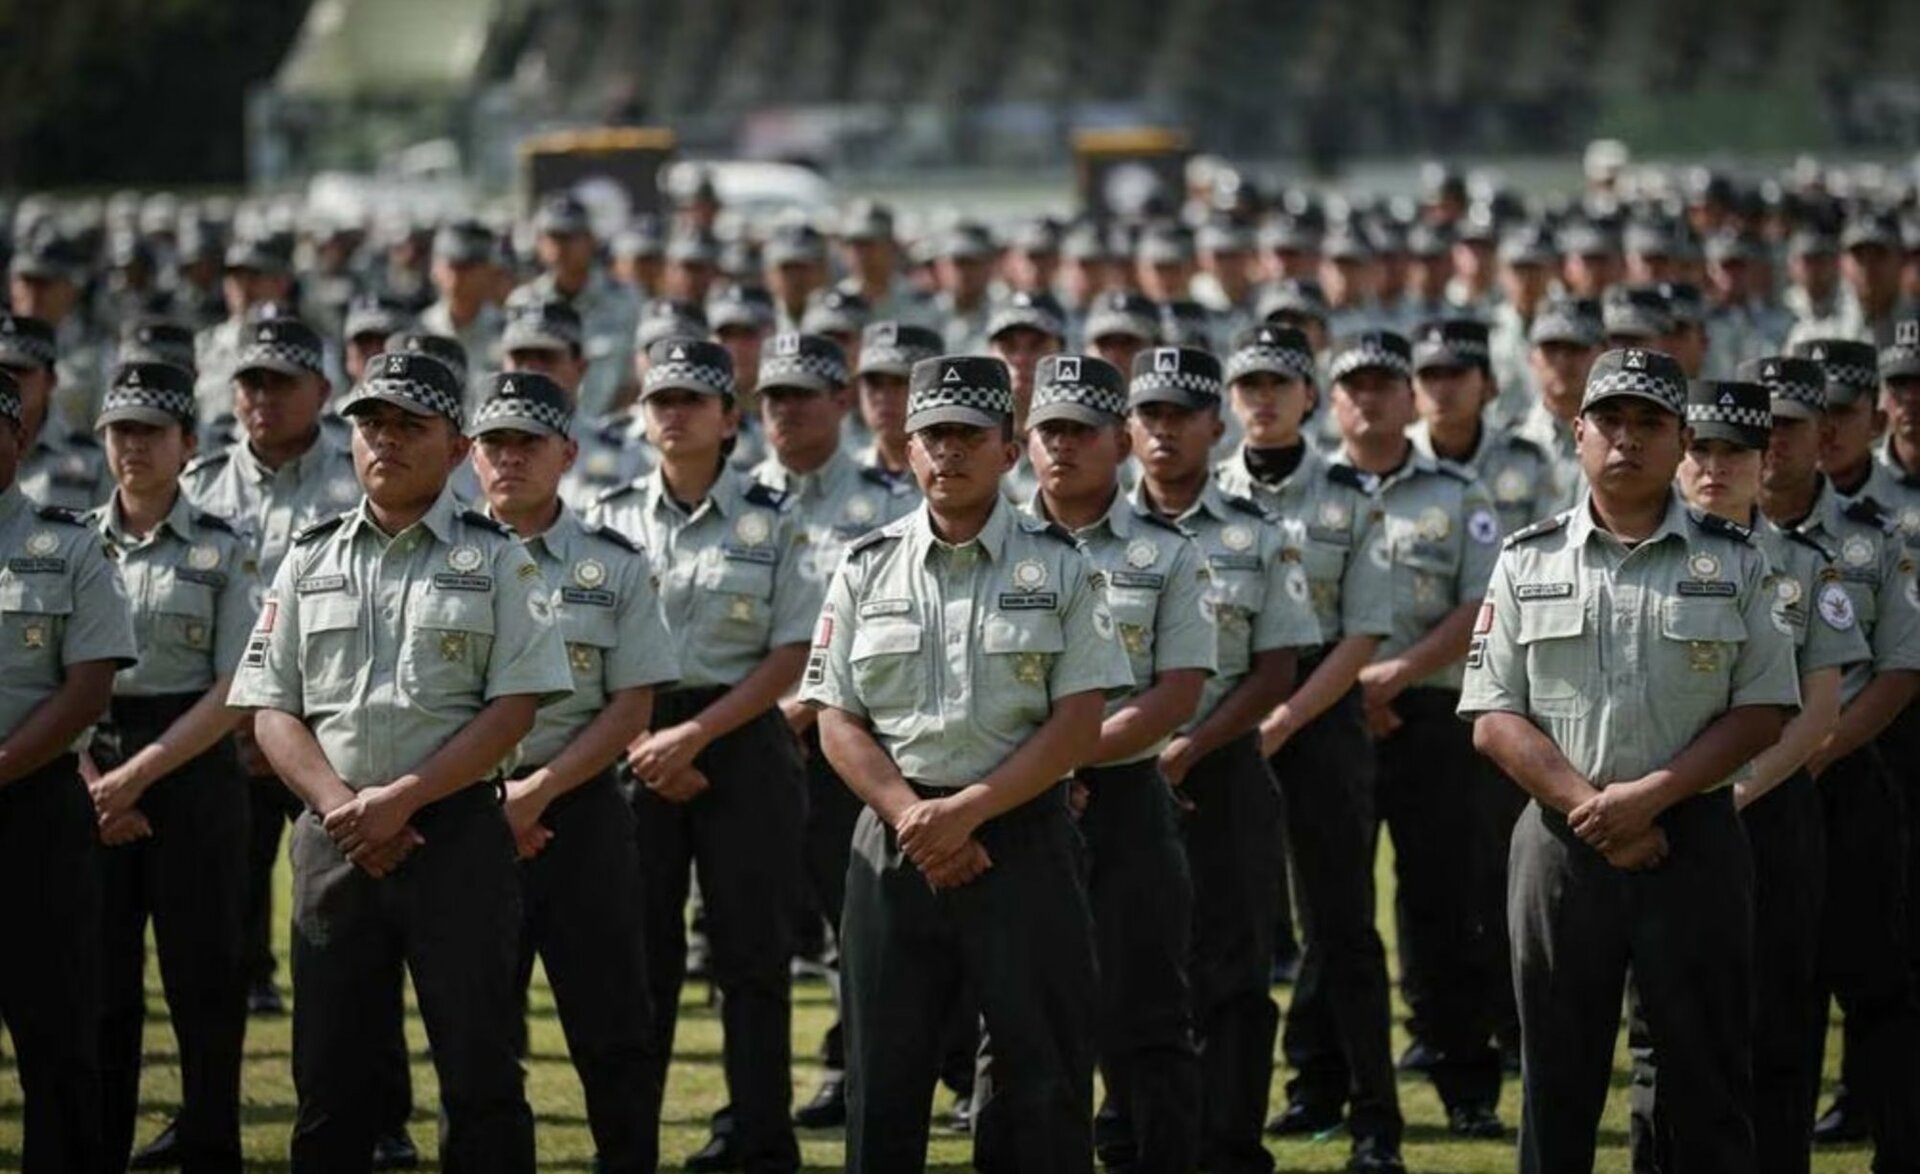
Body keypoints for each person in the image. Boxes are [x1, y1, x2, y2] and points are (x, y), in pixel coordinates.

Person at [226, 350, 571, 1172]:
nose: (384, 439)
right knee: (329, 1076)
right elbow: (271, 706)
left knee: (478, 1069)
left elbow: (515, 705)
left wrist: (402, 800)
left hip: (455, 838)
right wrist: (346, 809)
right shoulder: (310, 557)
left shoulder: (497, 557)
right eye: (371, 424)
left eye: (409, 425)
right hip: (332, 836)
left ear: (457, 449)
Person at [1460, 346, 1800, 1174]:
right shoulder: (1525, 559)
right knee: (1556, 1082)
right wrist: (1599, 809)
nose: (1627, 439)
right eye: (1609, 420)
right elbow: (1492, 714)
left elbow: (1765, 706)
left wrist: (1652, 797)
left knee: (1707, 1084)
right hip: (1560, 843)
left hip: (1694, 841)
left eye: (1650, 423)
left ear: (1682, 439)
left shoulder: (1739, 561)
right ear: (1577, 433)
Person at [799, 353, 1134, 1173]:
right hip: (894, 839)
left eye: (968, 436)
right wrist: (914, 816)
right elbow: (836, 716)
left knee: (1042, 1075)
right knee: (883, 1075)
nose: (947, 452)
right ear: (908, 449)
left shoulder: (1062, 566)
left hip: (1021, 835)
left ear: (1009, 452)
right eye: (932, 436)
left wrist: (968, 811)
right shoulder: (864, 565)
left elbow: (1078, 721)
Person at [1627, 372, 1869, 1174]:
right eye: (1699, 449)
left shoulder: (1802, 563)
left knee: (1775, 1018)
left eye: (1735, 452)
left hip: (1763, 814)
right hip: (1661, 812)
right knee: (1662, 1021)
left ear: (1766, 459)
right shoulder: (1644, 555)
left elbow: (1820, 709)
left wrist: (1732, 791)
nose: (1713, 468)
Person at [588, 337, 820, 1174]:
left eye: (693, 399)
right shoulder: (606, 518)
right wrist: (651, 737)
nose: (673, 413)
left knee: (751, 959)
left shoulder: (773, 517)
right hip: (630, 737)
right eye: (660, 400)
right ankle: (630, 1143)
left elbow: (793, 653)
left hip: (743, 738)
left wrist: (697, 737)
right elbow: (590, 644)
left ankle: (759, 1137)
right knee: (636, 959)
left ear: (730, 419)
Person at [469, 370, 678, 1174]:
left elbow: (631, 706)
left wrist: (538, 793)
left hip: (582, 808)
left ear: (568, 453)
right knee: (476, 1028)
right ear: (471, 455)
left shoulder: (614, 562)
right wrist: (496, 800)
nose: (510, 459)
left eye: (529, 443)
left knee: (613, 1026)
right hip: (466, 812)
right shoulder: (440, 554)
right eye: (495, 444)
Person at [1126, 346, 1325, 1173]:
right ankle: (1130, 1131)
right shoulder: (1085, 532)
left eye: (1182, 415)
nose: (1165, 430)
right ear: (1130, 428)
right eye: (1150, 415)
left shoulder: (1259, 534)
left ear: (1217, 425)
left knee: (1236, 967)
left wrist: (1192, 746)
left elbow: (1276, 668)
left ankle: (1231, 1140)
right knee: (1129, 963)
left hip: (1225, 768)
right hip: (1116, 772)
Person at [1023, 352, 1217, 1174]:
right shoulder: (991, 543)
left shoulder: (1170, 553)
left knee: (1149, 1016)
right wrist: (1040, 775)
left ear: (1124, 441)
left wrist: (1066, 761)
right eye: (1050, 431)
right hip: (1018, 803)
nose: (1064, 447)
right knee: (1029, 1017)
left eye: (1084, 431)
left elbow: (1176, 695)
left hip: (1126, 798)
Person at [1329, 328, 1507, 1138]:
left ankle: (1465, 1080)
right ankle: (1318, 1081)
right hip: (1326, 715)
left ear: (1409, 401)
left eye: (1383, 385)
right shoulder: (1306, 493)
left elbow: (1479, 605)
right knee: (1334, 906)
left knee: (1444, 903)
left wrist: (1393, 678)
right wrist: (1350, 688)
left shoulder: (1459, 492)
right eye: (1353, 386)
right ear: (1333, 401)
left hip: (1431, 713)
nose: (1368, 398)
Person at [84, 362, 257, 1173]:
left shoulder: (225, 549)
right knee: (101, 986)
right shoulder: (72, 544)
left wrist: (139, 776)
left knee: (205, 980)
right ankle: (97, 1143)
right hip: (86, 762)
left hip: (191, 763)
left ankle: (210, 1143)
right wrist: (96, 780)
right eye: (121, 431)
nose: (135, 447)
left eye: (151, 431)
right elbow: (46, 675)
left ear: (189, 444)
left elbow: (234, 689)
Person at [1751, 342, 1920, 1165]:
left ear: (1825, 433)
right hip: (1747, 790)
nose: (1775, 442)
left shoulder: (1876, 535)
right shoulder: (1718, 536)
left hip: (1846, 779)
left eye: (1791, 427)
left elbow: (1900, 670)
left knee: (1882, 985)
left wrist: (1821, 749)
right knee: (1776, 997)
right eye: (1763, 427)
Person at [745, 331, 918, 1129]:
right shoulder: (741, 498)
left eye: (800, 395)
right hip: (748, 741)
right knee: (756, 932)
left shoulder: (889, 500)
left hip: (846, 743)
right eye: (772, 396)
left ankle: (862, 1069)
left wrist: (810, 707)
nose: (783, 410)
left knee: (861, 919)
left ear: (839, 402)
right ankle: (759, 1106)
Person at [179, 315, 361, 1020]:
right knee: (219, 905)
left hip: (328, 722)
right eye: (250, 383)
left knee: (349, 916)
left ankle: (378, 1117)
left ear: (321, 389)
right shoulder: (199, 487)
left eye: (281, 383)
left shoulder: (361, 479)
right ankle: (245, 993)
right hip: (218, 728)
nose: (263, 397)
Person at [0, 366, 138, 1173]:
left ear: (21, 438)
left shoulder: (70, 545)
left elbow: (88, 687)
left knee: (55, 1041)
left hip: (35, 815)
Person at [1408, 318, 1559, 536]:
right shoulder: (1396, 462)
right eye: (1430, 376)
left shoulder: (1527, 462)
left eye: (1456, 373)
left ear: (1489, 385)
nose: (1442, 389)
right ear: (1412, 389)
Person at [4, 312, 111, 510]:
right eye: (2, 370)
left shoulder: (93, 461)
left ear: (51, 380)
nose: (10, 380)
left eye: (22, 370)